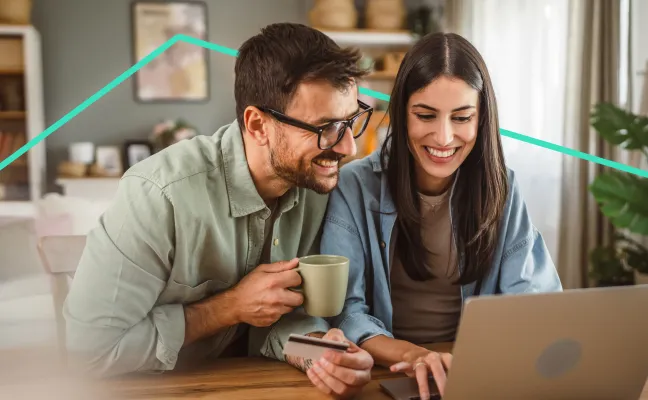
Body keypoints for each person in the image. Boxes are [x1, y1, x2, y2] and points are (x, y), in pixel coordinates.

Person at [63, 22, 374, 399]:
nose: (348, 149)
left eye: (351, 121)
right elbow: (88, 351)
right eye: (326, 128)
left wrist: (322, 355)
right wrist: (229, 308)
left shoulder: (316, 186)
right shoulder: (159, 195)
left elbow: (279, 322)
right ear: (258, 124)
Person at [318, 32, 563, 399]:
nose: (444, 137)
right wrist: (414, 354)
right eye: (426, 115)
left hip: (472, 374)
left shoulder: (503, 189)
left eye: (462, 117)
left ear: (481, 120)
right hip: (387, 371)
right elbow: (346, 312)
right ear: (401, 114)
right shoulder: (354, 186)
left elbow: (531, 304)